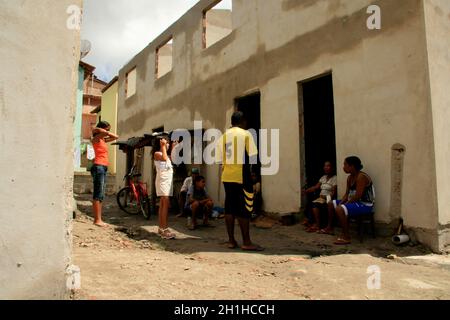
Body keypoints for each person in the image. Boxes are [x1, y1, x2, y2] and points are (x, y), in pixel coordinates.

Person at [217, 111, 263, 251]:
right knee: (244, 208)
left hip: (227, 176)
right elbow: (253, 157)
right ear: (242, 121)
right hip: (242, 175)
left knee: (230, 208)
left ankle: (231, 241)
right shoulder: (246, 134)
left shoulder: (223, 136)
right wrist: (255, 175)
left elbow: (220, 161)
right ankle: (246, 242)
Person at [331, 156, 375, 245]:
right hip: (354, 202)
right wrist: (342, 202)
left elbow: (358, 196)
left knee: (340, 209)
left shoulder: (361, 177)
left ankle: (346, 237)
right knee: (331, 203)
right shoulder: (349, 178)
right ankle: (329, 227)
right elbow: (346, 194)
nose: (343, 167)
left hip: (365, 204)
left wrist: (344, 205)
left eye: (345, 165)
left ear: (352, 166)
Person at [90, 121, 119, 227]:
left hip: (102, 167)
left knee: (101, 193)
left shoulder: (102, 139)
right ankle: (97, 220)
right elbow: (103, 132)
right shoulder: (96, 139)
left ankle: (99, 219)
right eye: (107, 129)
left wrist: (102, 130)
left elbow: (116, 137)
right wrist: (98, 129)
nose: (108, 131)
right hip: (99, 167)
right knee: (98, 193)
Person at [302, 161, 337, 233]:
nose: (326, 168)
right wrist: (306, 191)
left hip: (328, 199)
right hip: (321, 198)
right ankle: (312, 222)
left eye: (328, 166)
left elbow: (333, 193)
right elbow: (316, 187)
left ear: (332, 168)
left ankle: (317, 225)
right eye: (325, 166)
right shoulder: (323, 177)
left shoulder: (335, 178)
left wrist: (326, 197)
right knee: (310, 202)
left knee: (315, 204)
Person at [153, 135, 176, 239]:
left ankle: (161, 228)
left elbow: (170, 159)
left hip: (167, 182)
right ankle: (164, 229)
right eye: (166, 142)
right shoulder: (157, 153)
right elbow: (164, 158)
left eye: (167, 143)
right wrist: (162, 145)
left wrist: (173, 147)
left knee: (163, 205)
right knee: (165, 205)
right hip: (163, 182)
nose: (167, 144)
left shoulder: (165, 153)